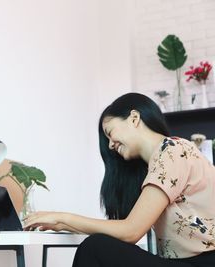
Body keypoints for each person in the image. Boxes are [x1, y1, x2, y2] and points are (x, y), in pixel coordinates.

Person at [23, 93, 215, 267]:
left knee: (96, 247)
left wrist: (63, 219)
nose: (110, 145)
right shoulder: (161, 160)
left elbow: (131, 231)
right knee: (100, 247)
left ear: (134, 118)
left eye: (110, 132)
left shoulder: (173, 150)